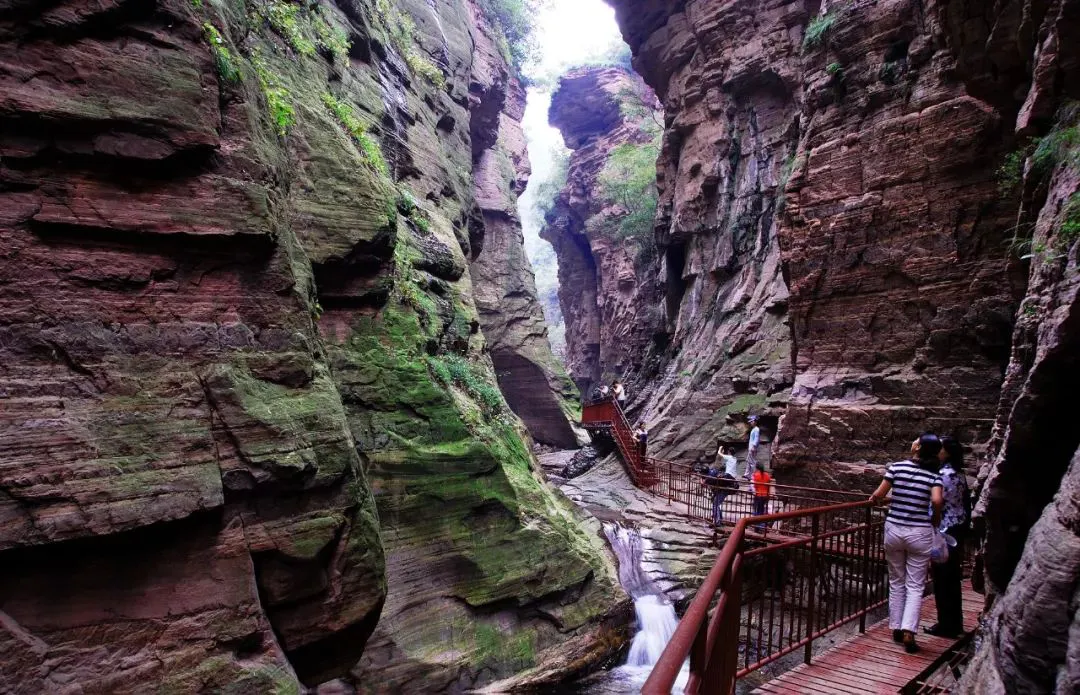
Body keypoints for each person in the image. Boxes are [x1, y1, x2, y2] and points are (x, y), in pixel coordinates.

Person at [869, 434, 944, 654]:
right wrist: (935, 518)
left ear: (918, 447)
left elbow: (879, 495)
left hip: (894, 529)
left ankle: (895, 627)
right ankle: (909, 630)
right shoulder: (933, 475)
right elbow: (937, 500)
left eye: (915, 440)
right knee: (915, 584)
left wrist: (879, 499)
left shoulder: (897, 467)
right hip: (920, 532)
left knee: (897, 581)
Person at [927, 435, 971, 638]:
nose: (938, 451)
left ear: (948, 452)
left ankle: (946, 625)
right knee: (952, 578)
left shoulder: (943, 475)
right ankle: (955, 623)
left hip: (943, 532)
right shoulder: (959, 474)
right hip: (957, 529)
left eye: (941, 448)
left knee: (942, 579)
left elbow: (936, 503)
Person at [704, 459, 737, 525]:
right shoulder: (716, 473)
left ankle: (717, 522)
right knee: (716, 503)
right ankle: (719, 518)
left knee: (715, 504)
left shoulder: (713, 476)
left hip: (724, 490)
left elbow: (707, 483)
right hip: (723, 490)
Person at [751, 462, 773, 528]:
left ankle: (758, 525)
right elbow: (769, 486)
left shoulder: (756, 475)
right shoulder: (767, 475)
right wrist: (768, 495)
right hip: (765, 495)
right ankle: (760, 525)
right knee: (762, 510)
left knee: (757, 510)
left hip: (758, 495)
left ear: (757, 468)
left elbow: (755, 486)